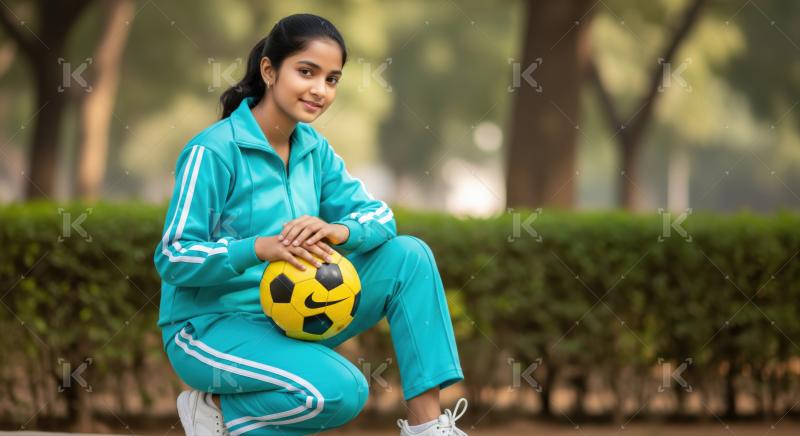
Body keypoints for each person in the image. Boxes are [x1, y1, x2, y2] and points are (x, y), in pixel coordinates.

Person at [153, 13, 467, 436]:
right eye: (306, 72)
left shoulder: (313, 150)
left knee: (409, 257)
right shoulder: (213, 152)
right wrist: (258, 248)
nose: (320, 90)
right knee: (342, 391)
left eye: (332, 79)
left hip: (287, 318)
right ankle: (218, 410)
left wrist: (341, 231)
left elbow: (380, 217)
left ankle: (429, 428)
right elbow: (173, 257)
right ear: (269, 70)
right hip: (208, 330)